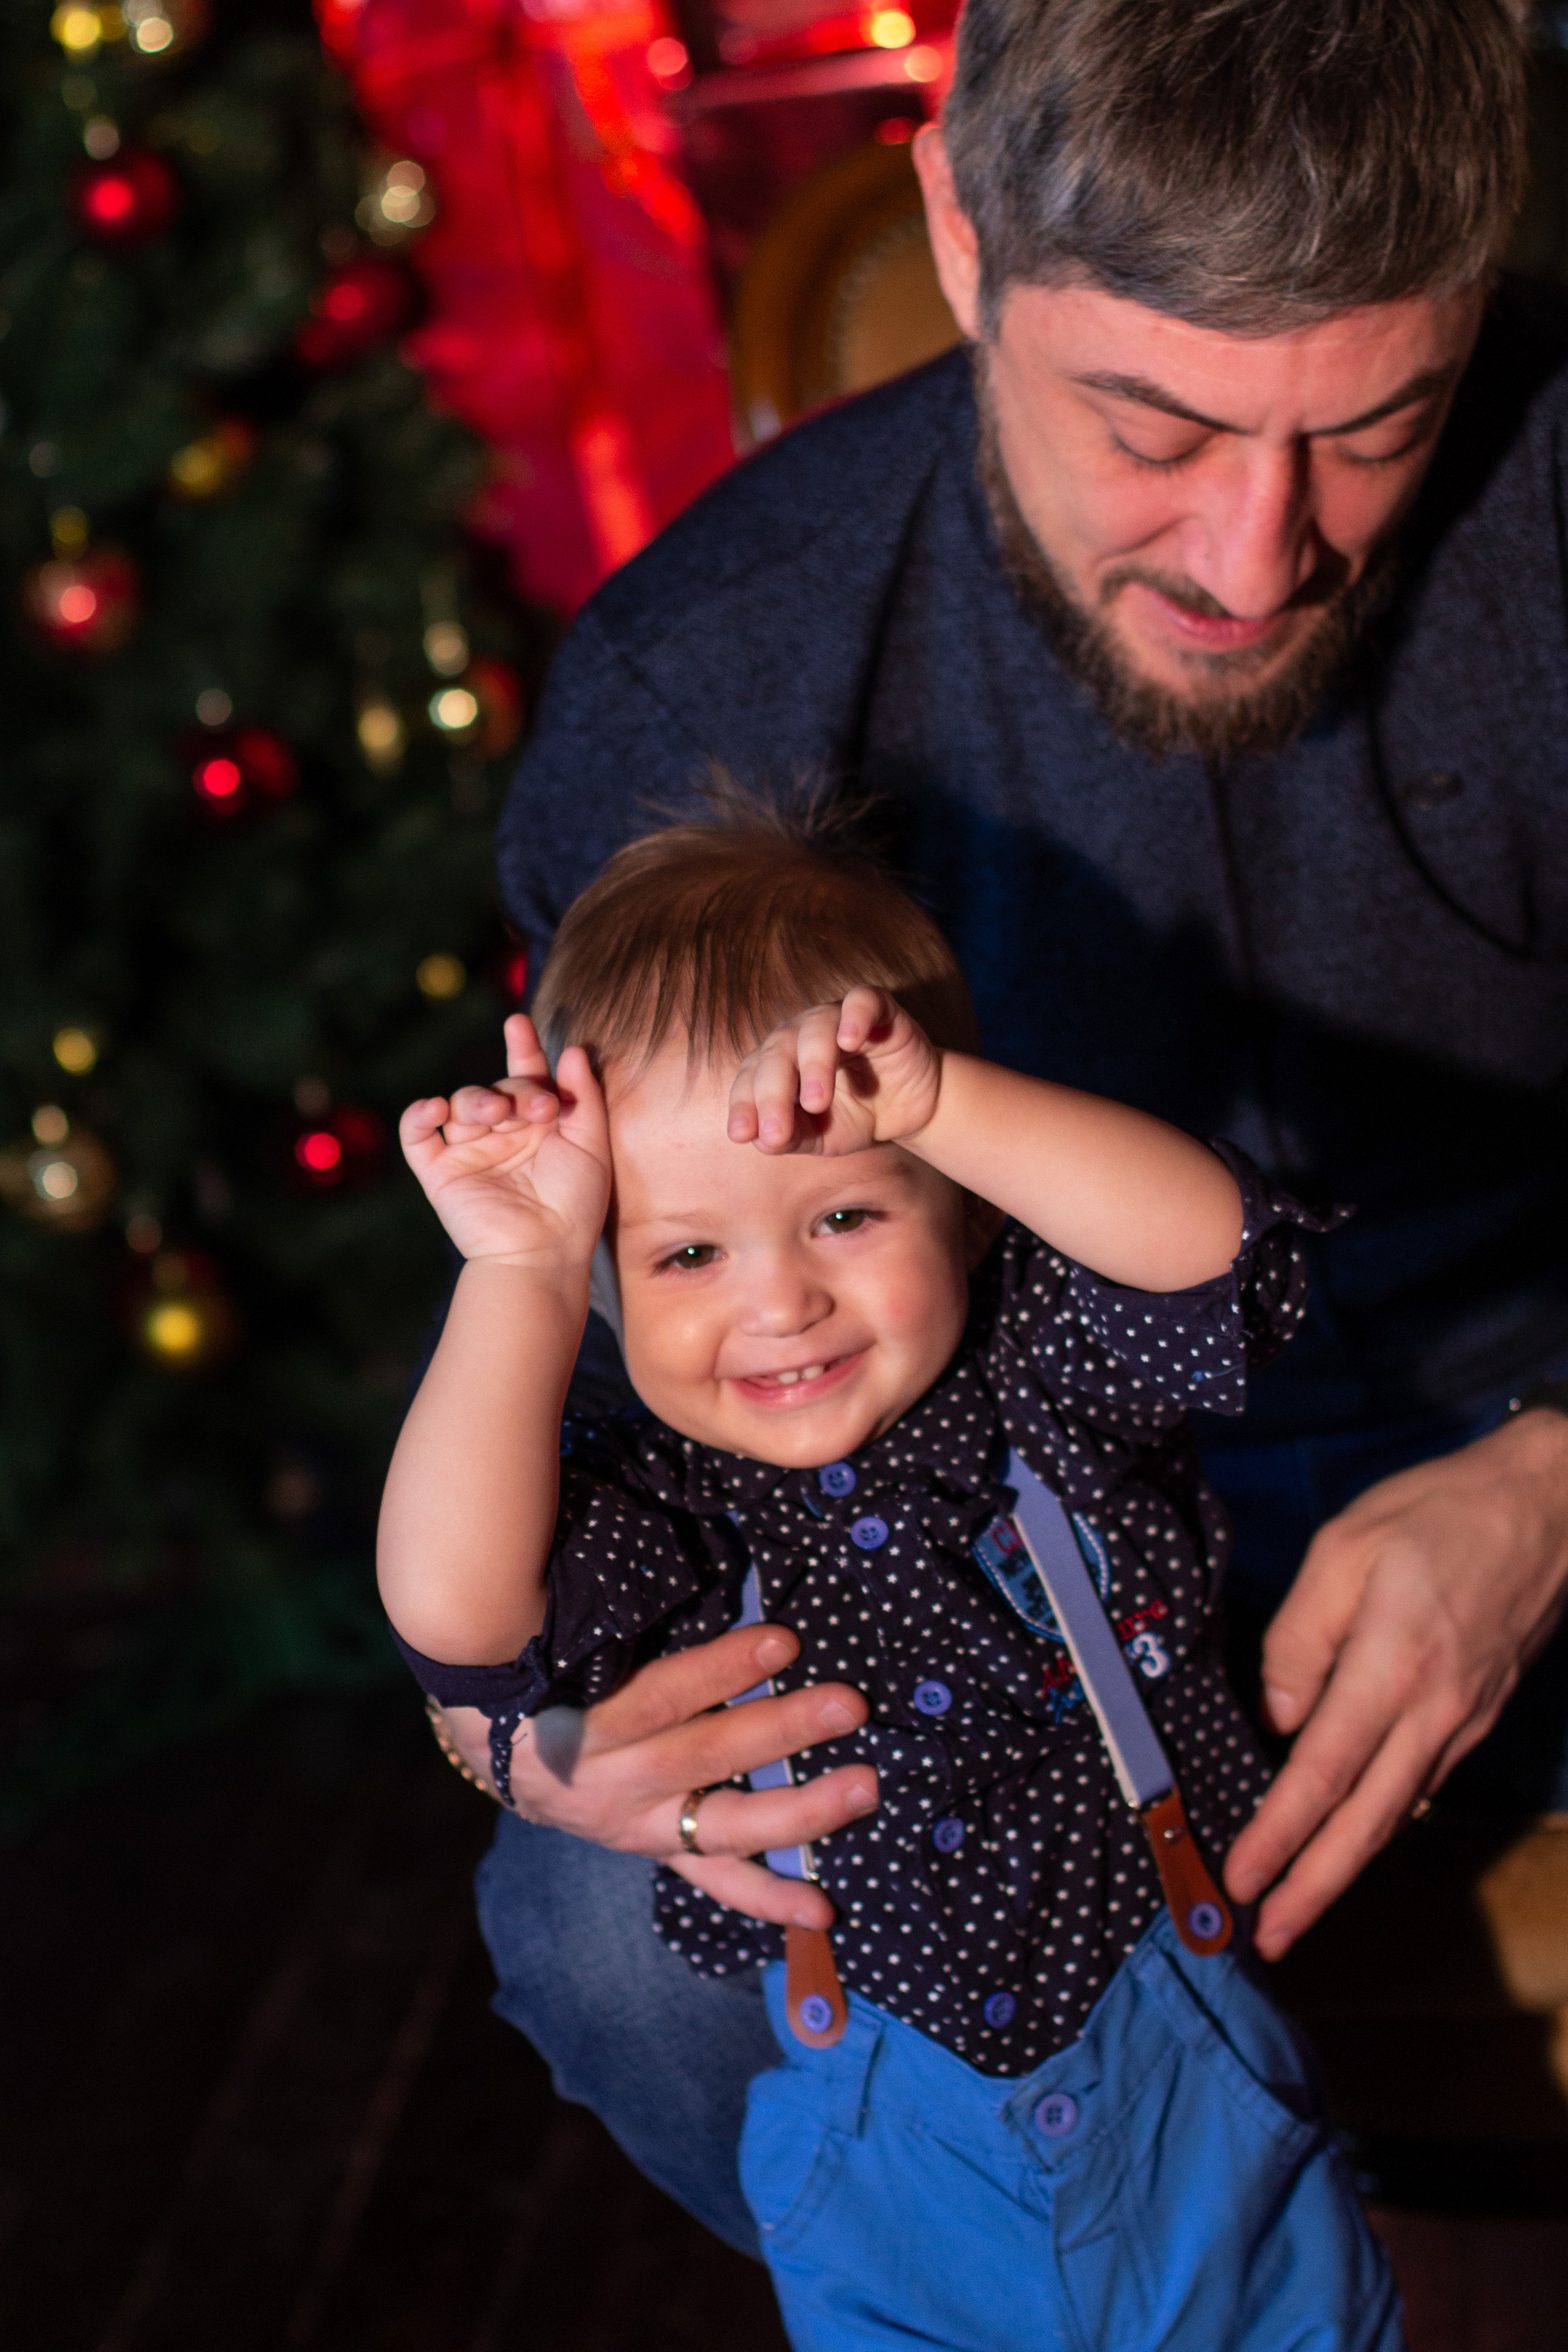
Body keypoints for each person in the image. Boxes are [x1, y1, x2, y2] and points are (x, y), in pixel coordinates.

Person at [435, 0, 1568, 2260]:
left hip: (1538, 1421)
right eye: (1153, 424)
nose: (1263, 556)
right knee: (587, 1938)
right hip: (962, 1547)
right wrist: (528, 1739)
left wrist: (1550, 1486)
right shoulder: (707, 684)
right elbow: (555, 1382)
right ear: (959, 231)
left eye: (1378, 429)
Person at [381, 804, 1399, 2351]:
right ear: (608, 1282)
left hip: (1179, 2041)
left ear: (963, 1201)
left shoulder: (1038, 1373)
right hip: (876, 2130)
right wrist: (516, 1273)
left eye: (846, 1213)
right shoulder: (664, 1504)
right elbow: (458, 1619)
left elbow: (1213, 1258)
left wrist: (945, 1100)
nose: (781, 1301)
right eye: (685, 1257)